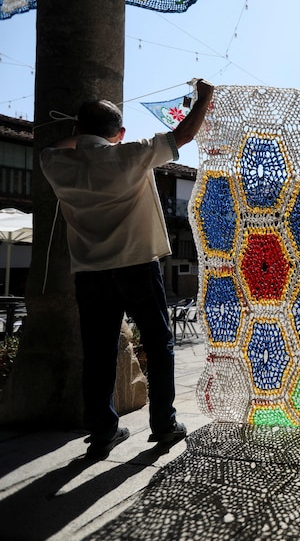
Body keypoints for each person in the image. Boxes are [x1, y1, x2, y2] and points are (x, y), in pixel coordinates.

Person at [41, 79, 214, 459]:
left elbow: (53, 146)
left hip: (90, 274)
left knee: (99, 352)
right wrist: (204, 98)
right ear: (119, 133)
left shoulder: (56, 164)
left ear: (76, 130)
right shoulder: (130, 155)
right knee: (158, 342)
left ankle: (103, 431)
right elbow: (183, 135)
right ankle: (163, 424)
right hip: (137, 267)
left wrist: (82, 139)